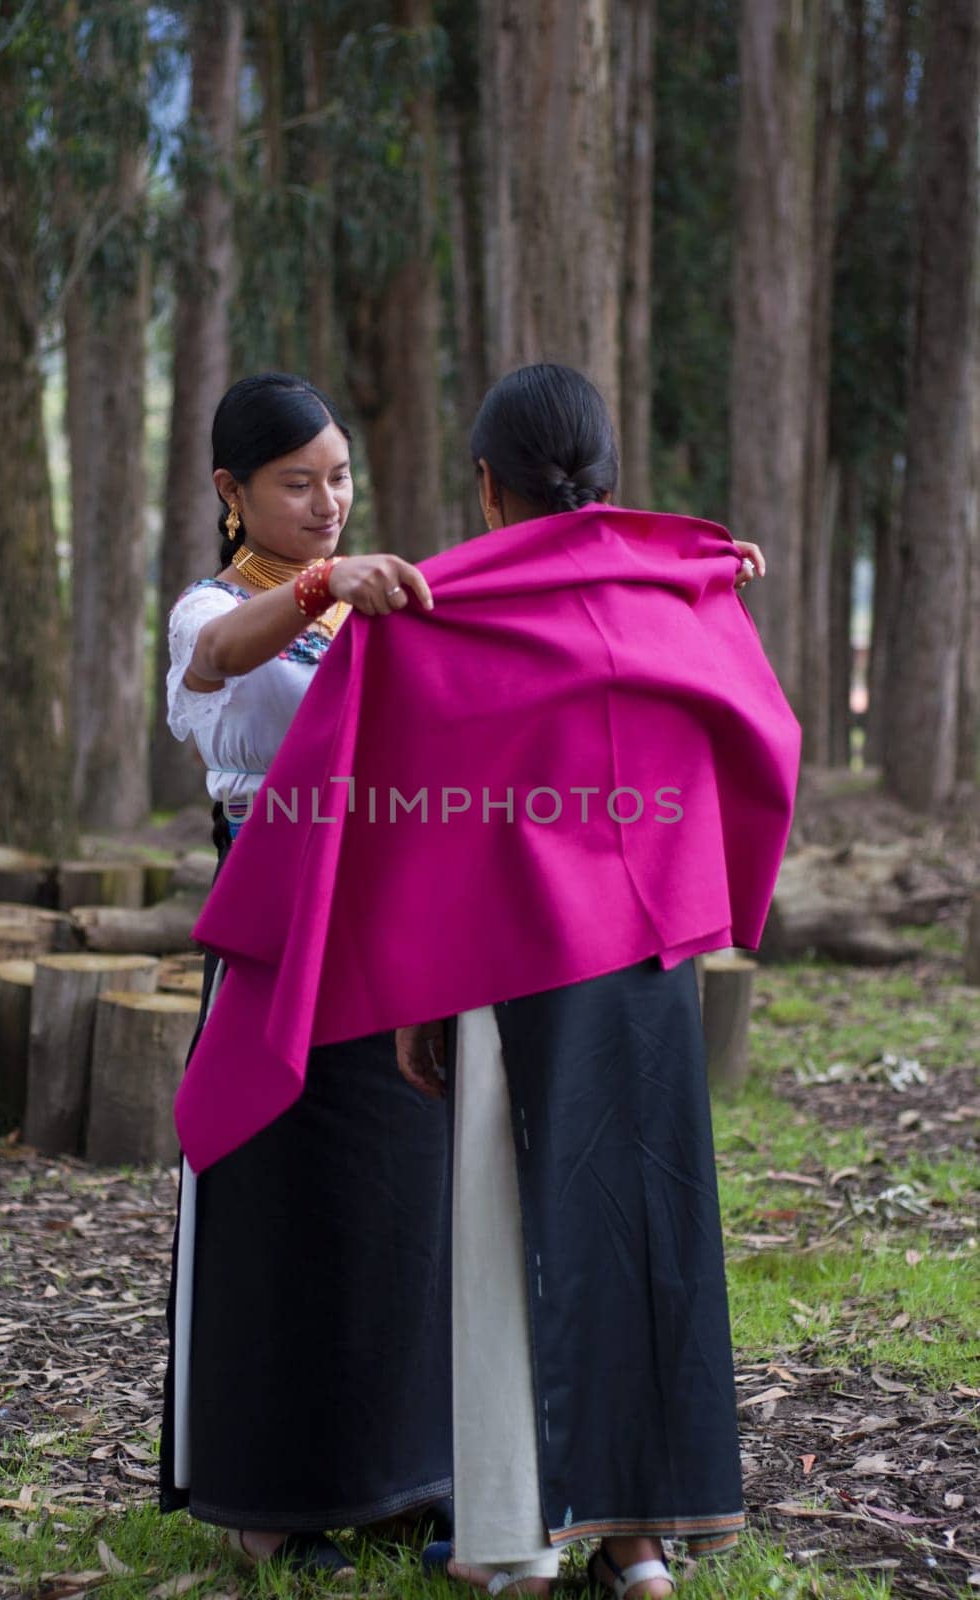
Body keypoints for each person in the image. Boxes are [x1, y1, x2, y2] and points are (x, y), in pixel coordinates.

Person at [389, 364, 779, 1599]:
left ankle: (512, 1538)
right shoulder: (676, 600)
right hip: (656, 960)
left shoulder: (454, 610)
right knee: (651, 1225)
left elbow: (421, 821)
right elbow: (763, 742)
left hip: (513, 960)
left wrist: (412, 995)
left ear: (487, 485)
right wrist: (707, 578)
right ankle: (643, 1543)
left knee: (515, 1227)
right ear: (608, 473)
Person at [158, 373, 453, 1580]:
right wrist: (329, 588)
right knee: (279, 1217)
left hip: (385, 945)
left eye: (339, 476)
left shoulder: (382, 596)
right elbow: (224, 661)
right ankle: (267, 1505)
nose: (327, 503)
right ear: (231, 492)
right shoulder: (210, 612)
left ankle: (393, 1477)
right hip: (276, 948)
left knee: (394, 1210)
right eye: (297, 483)